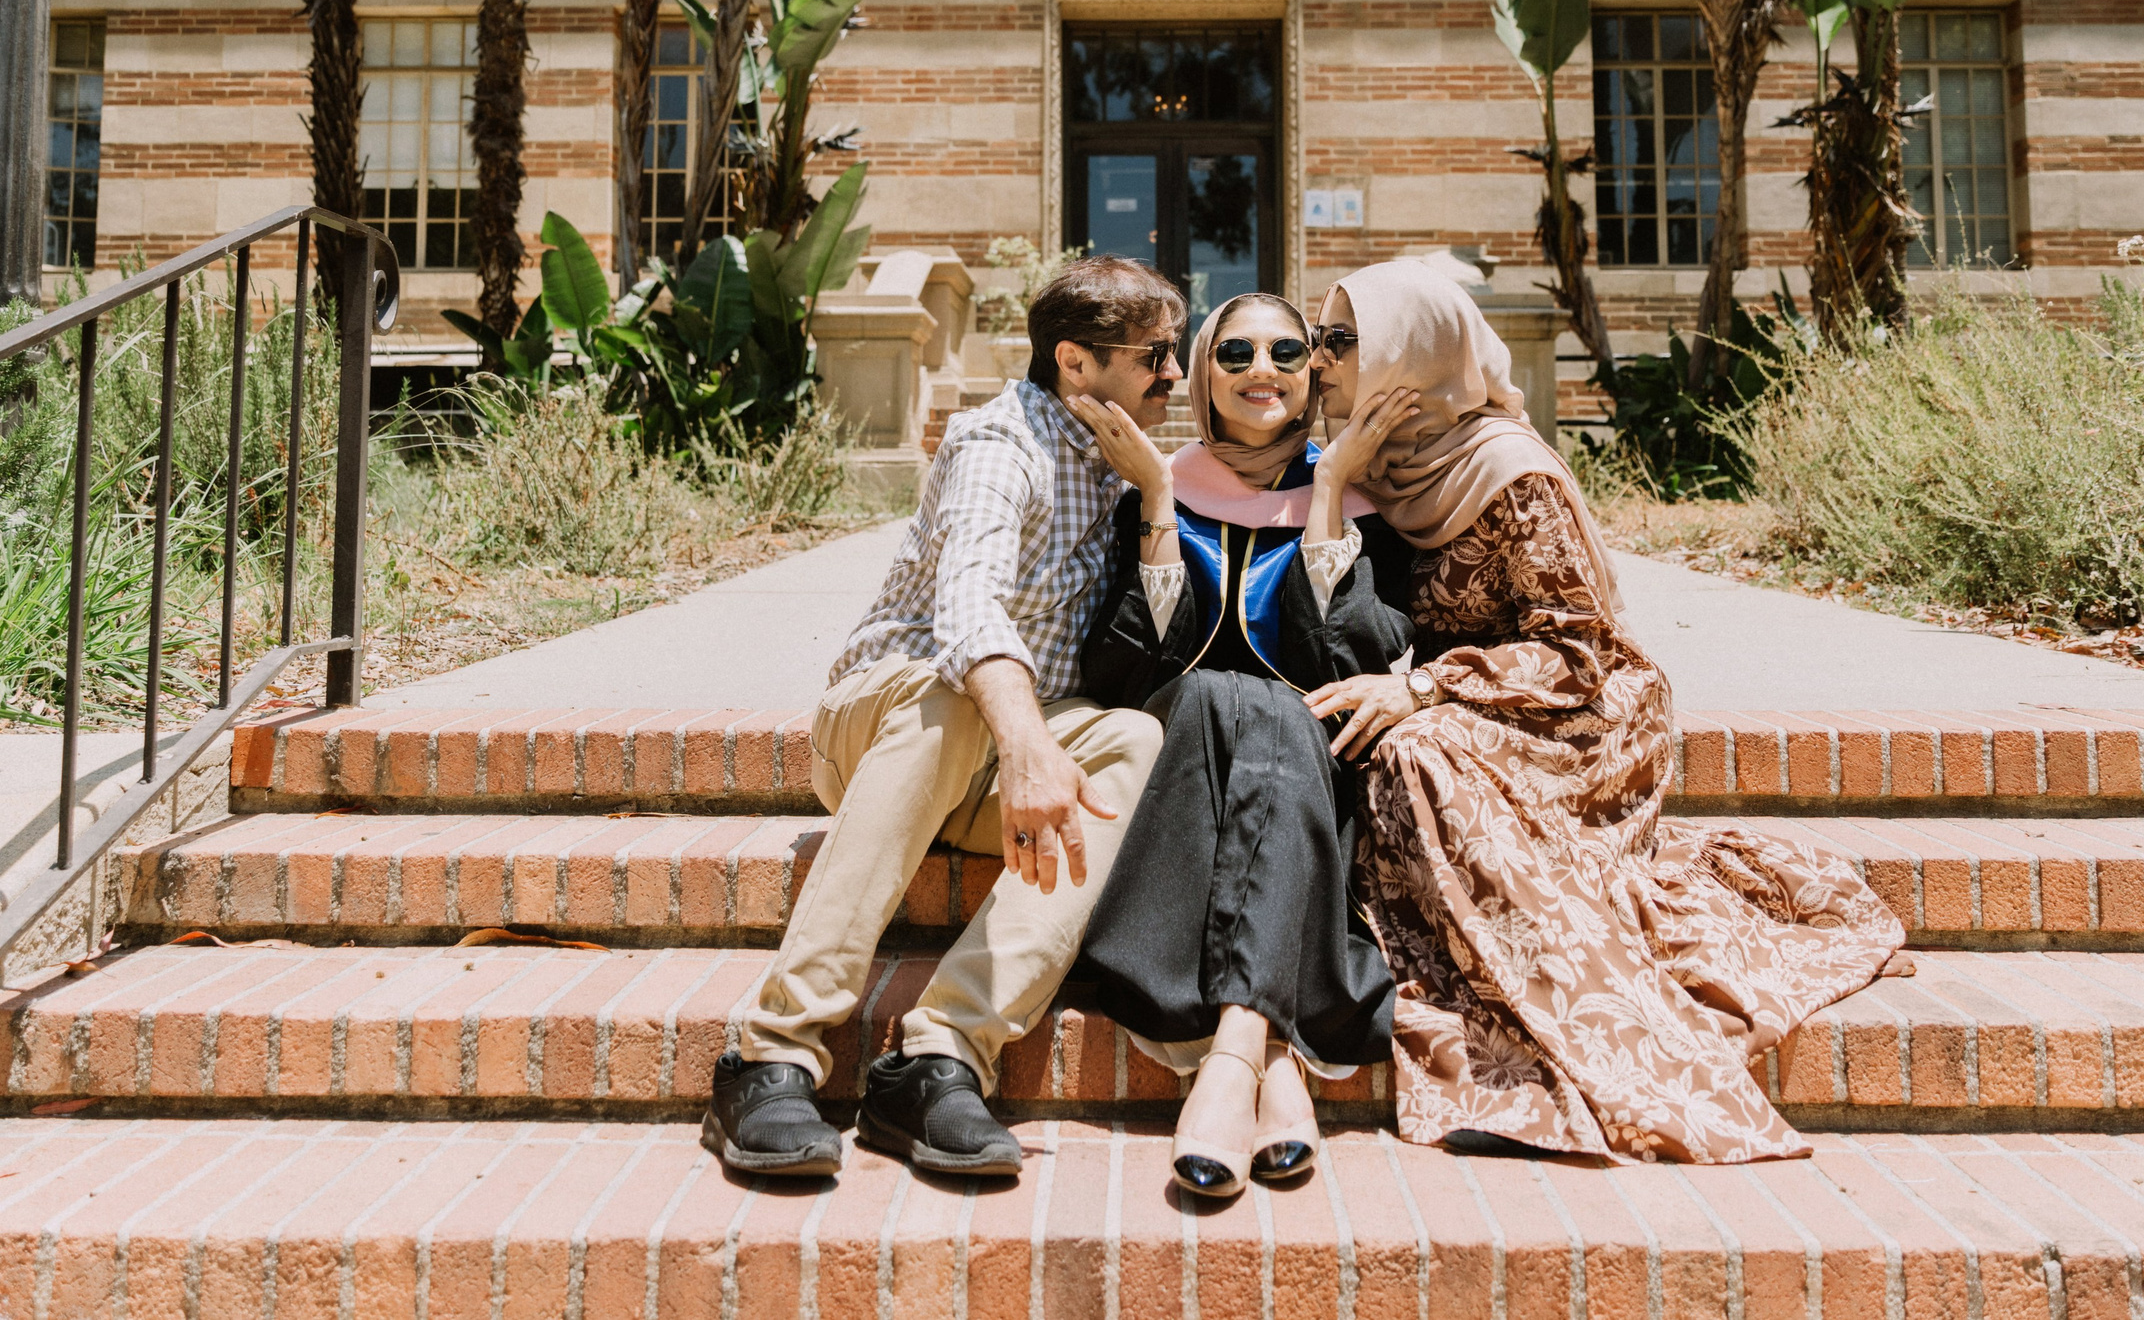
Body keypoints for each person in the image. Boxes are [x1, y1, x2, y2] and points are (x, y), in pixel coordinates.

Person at [1303, 262, 1909, 1165]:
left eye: (1339, 342)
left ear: (1408, 354)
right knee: (1390, 750)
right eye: (1317, 338)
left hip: (1577, 709)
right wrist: (1336, 488)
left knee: (1418, 751)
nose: (1315, 362)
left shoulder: (1507, 470)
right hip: (1470, 702)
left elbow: (1583, 647)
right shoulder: (1370, 469)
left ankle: (1553, 1019)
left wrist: (1428, 687)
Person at [701, 255, 1188, 1179]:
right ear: (1076, 365)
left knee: (1133, 737)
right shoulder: (997, 447)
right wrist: (1029, 742)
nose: (1175, 372)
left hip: (990, 765)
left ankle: (938, 1058)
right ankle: (771, 1051)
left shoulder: (1124, 463)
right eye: (1156, 354)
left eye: (1177, 349)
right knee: (966, 688)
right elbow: (969, 614)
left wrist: (1156, 492)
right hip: (886, 725)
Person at [1067, 293, 1419, 1198]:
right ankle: (1274, 1062)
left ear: (1310, 374)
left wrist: (1331, 491)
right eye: (1236, 352)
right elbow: (1117, 671)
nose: (1262, 368)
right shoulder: (1155, 483)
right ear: (1206, 375)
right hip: (1187, 769)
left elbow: (1352, 657)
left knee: (1271, 710)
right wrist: (1153, 498)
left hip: (1308, 781)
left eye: (1286, 351)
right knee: (1241, 700)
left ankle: (1231, 1060)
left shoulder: (1355, 498)